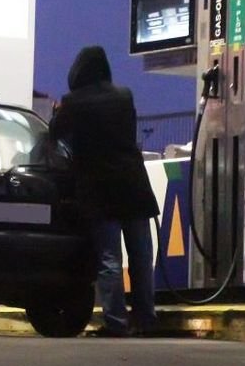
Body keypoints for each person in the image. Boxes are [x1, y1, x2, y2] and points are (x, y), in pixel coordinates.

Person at [49, 45, 159, 337]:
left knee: (110, 259)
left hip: (100, 188)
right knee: (141, 256)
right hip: (134, 185)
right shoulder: (124, 96)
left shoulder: (73, 102)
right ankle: (146, 319)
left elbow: (55, 134)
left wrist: (57, 114)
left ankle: (116, 322)